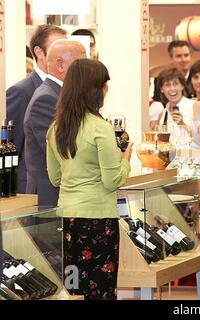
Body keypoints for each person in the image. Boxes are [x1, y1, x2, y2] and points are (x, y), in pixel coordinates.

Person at [46, 58, 132, 300]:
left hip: (67, 218)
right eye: (104, 85)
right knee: (101, 290)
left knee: (73, 287)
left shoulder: (56, 129)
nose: (107, 90)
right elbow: (112, 180)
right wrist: (126, 159)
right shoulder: (100, 127)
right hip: (98, 219)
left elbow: (55, 177)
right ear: (95, 89)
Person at [23, 40, 86, 207]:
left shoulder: (59, 95)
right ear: (60, 65)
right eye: (81, 63)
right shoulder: (47, 99)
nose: (86, 70)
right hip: (50, 200)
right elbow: (64, 152)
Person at [6, 24, 67, 193]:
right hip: (32, 192)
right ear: (39, 52)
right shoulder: (20, 91)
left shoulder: (65, 89)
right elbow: (11, 147)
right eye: (57, 47)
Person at [157, 68, 200, 148]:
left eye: (175, 84)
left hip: (192, 157)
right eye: (167, 85)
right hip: (168, 158)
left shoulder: (195, 106)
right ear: (162, 89)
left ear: (182, 86)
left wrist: (182, 124)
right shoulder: (162, 114)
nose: (172, 89)